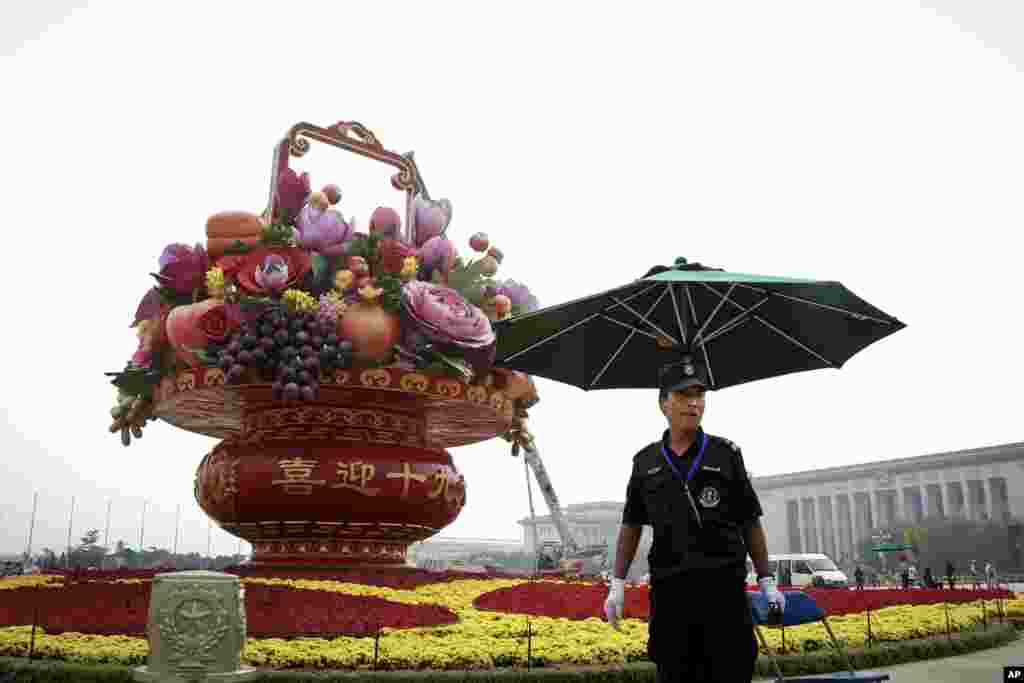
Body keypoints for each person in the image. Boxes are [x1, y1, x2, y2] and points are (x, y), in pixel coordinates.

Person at [603, 354, 784, 683]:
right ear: (663, 404)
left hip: (723, 593)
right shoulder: (645, 463)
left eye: (700, 395)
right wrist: (617, 584)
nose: (694, 403)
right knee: (674, 673)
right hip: (671, 594)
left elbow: (750, 521)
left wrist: (767, 580)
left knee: (732, 671)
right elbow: (631, 525)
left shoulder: (726, 454)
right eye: (684, 395)